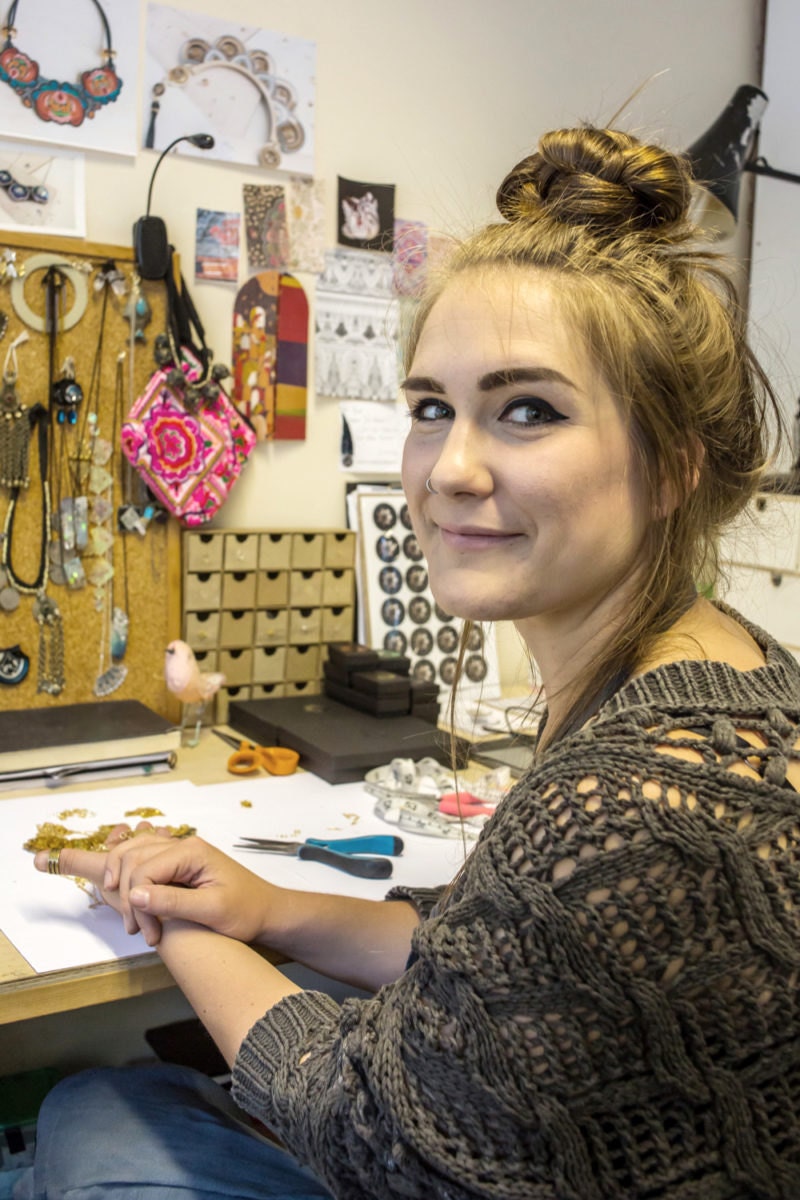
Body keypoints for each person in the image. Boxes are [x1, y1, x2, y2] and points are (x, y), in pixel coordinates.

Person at [20, 124, 800, 1200]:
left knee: (92, 1110)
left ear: (669, 468)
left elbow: (379, 1139)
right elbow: (504, 960)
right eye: (432, 409)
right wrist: (269, 909)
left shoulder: (639, 802)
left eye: (526, 410)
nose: (449, 469)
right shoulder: (731, 673)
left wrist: (162, 913)